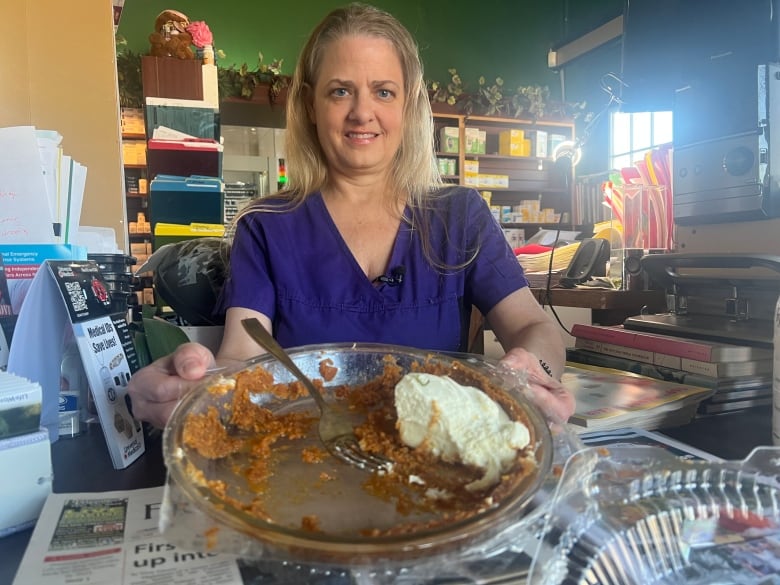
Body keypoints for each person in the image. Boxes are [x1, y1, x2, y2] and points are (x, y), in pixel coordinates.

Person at [128, 2, 574, 429]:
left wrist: (530, 369)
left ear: (407, 104)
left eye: (383, 91)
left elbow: (535, 326)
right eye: (340, 91)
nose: (362, 113)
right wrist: (195, 388)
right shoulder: (265, 227)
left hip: (439, 477)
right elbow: (242, 358)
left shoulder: (459, 216)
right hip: (307, 475)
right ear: (309, 104)